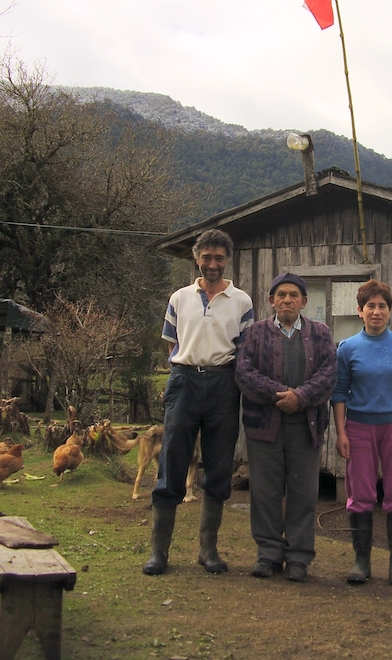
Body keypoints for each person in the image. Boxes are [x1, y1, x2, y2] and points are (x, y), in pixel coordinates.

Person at [143, 228, 254, 576]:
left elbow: (246, 350)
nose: (212, 264)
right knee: (172, 460)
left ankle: (208, 550)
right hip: (185, 380)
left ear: (227, 260)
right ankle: (159, 552)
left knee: (219, 467)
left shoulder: (242, 301)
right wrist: (184, 371)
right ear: (197, 258)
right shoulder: (179, 298)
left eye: (219, 257)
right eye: (206, 257)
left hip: (224, 383)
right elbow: (170, 343)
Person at [235, 272, 337, 582]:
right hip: (264, 425)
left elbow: (329, 373)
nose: (287, 300)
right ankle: (268, 554)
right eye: (281, 295)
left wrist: (301, 397)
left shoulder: (321, 334)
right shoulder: (254, 334)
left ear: (304, 301)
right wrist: (279, 394)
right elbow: (244, 371)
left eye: (294, 295)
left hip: (306, 425)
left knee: (303, 492)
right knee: (264, 492)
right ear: (271, 301)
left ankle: (298, 557)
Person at [332, 279, 392, 587]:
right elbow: (339, 393)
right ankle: (362, 561)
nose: (376, 311)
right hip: (358, 428)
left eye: (382, 306)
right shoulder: (347, 348)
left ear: (389, 312)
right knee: (361, 494)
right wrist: (341, 432)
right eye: (370, 306)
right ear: (359, 311)